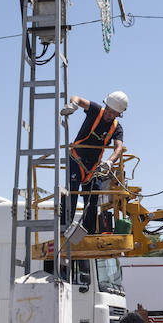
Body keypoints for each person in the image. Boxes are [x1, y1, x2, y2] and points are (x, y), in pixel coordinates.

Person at [59, 91, 128, 234]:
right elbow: (77, 98)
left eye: (112, 113)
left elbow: (118, 147)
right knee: (72, 192)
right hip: (76, 158)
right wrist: (72, 105)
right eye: (108, 110)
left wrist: (110, 161)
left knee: (92, 198)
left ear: (118, 114)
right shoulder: (95, 110)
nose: (108, 114)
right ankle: (63, 228)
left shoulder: (117, 128)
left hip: (94, 166)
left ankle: (89, 232)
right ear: (105, 106)